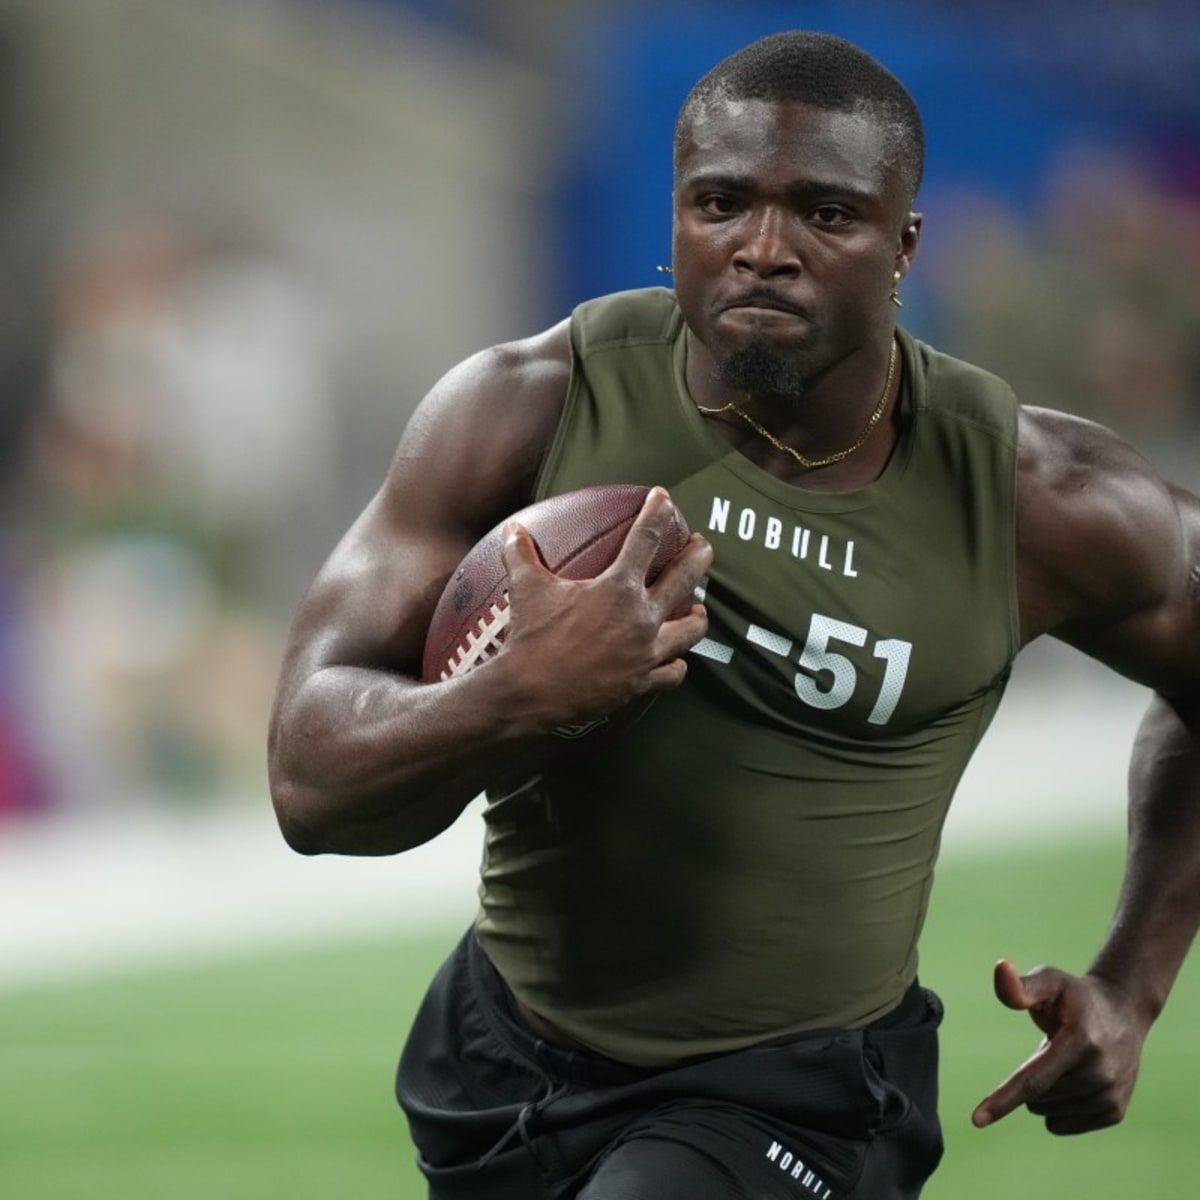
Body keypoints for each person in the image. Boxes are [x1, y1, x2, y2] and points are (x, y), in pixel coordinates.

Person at [267, 30, 1200, 1200]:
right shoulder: (527, 410)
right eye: (721, 204)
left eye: (827, 214)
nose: (765, 250)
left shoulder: (1034, 499)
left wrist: (1134, 981)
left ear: (904, 242)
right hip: (499, 1058)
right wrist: (506, 701)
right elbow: (310, 779)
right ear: (674, 220)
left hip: (794, 1098)